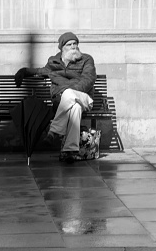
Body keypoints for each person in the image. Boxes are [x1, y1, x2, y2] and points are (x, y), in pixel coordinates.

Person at [14, 32, 96, 162]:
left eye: (75, 44)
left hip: (85, 98)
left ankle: (53, 132)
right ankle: (69, 151)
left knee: (69, 94)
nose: (74, 47)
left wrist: (68, 91)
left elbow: (88, 80)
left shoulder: (86, 59)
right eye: (70, 44)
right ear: (62, 48)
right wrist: (24, 71)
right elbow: (40, 71)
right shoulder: (53, 62)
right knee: (75, 108)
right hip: (67, 103)